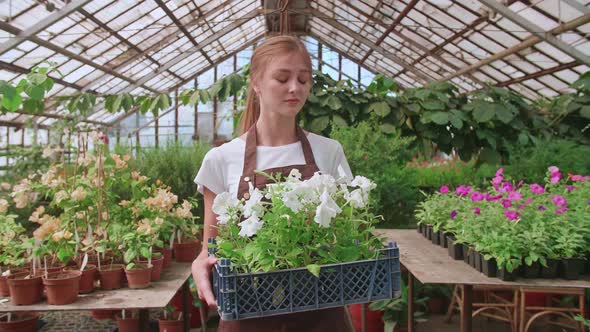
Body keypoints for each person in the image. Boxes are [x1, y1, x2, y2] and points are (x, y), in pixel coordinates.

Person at [191, 35, 354, 332]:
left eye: (303, 79)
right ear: (256, 83)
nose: (295, 88)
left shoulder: (329, 151)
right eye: (282, 78)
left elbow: (346, 235)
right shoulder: (222, 159)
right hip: (248, 313)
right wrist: (199, 263)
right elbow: (211, 247)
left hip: (321, 310)